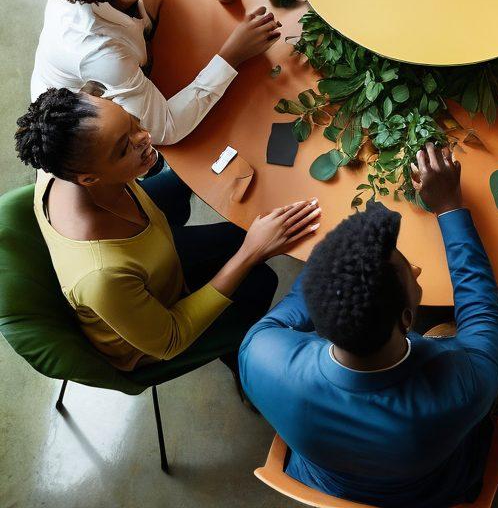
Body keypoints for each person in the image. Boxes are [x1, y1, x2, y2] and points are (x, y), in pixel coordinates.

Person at [239, 144, 498, 508]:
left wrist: (342, 251)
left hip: (323, 481)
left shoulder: (260, 355)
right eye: (407, 273)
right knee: (452, 332)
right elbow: (482, 313)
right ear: (408, 319)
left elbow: (307, 290)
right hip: (433, 491)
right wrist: (449, 206)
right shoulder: (462, 387)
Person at [15, 86, 320, 372]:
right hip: (156, 327)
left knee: (217, 205)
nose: (145, 136)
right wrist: (249, 255)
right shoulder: (101, 277)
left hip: (153, 255)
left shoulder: (62, 162)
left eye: (129, 120)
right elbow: (170, 340)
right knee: (260, 277)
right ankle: (239, 357)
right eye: (124, 149)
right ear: (88, 178)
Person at [31, 0, 280, 223]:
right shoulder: (102, 54)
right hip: (88, 117)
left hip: (122, 67)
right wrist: (232, 54)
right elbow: (167, 127)